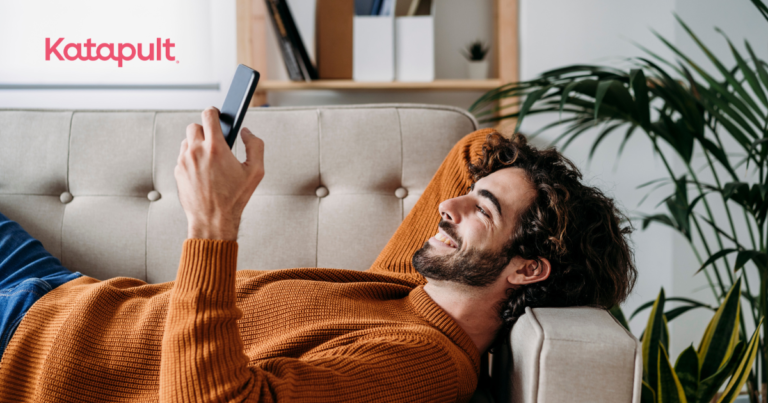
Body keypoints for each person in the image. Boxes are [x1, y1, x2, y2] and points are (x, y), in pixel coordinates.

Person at [0, 107, 636, 402]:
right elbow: (479, 148)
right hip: (55, 289)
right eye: (468, 199)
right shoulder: (406, 291)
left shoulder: (422, 366)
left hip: (24, 350)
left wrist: (211, 226)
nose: (451, 208)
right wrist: (528, 189)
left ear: (528, 268)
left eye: (483, 212)